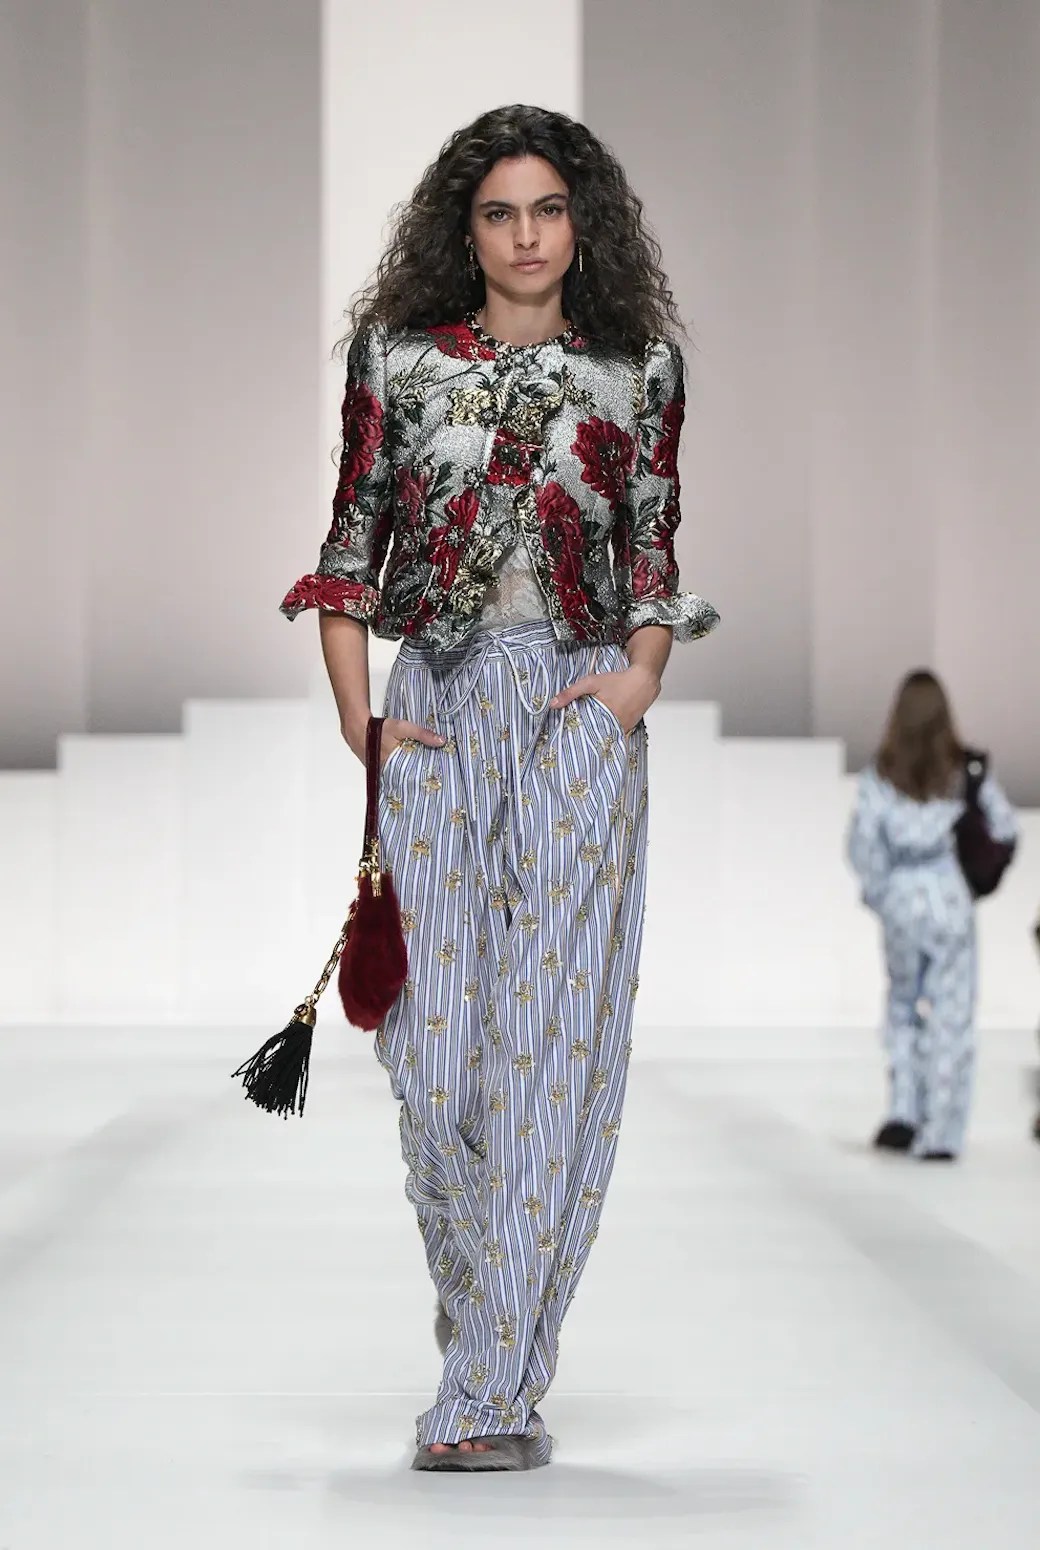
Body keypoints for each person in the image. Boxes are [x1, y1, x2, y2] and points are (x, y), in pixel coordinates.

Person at [280, 105, 719, 1470]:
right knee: (434, 1048)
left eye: (548, 209)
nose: (526, 236)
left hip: (582, 704)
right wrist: (361, 723)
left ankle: (483, 1390)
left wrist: (638, 682)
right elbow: (348, 546)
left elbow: (654, 545)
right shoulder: (398, 358)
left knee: (552, 1031)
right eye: (498, 213)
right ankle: (489, 1319)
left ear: (582, 223)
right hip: (435, 708)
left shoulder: (638, 367)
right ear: (462, 231)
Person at [847, 670, 1016, 1163]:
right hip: (949, 894)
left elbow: (864, 842)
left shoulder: (881, 773)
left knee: (903, 1004)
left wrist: (880, 894)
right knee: (952, 1013)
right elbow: (1005, 827)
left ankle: (904, 1110)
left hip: (901, 895)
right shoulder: (963, 770)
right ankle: (941, 1130)